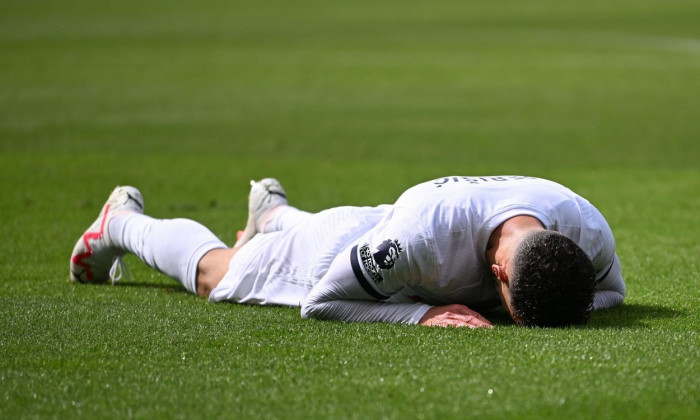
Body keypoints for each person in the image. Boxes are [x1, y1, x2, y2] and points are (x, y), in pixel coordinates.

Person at [70, 176, 625, 328]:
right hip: (340, 246)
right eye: (510, 307)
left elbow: (613, 293)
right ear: (499, 270)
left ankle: (272, 215)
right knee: (220, 275)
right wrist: (420, 314)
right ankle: (120, 223)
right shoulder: (416, 241)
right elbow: (320, 301)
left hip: (383, 228)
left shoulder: (587, 225)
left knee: (276, 236)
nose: (506, 317)